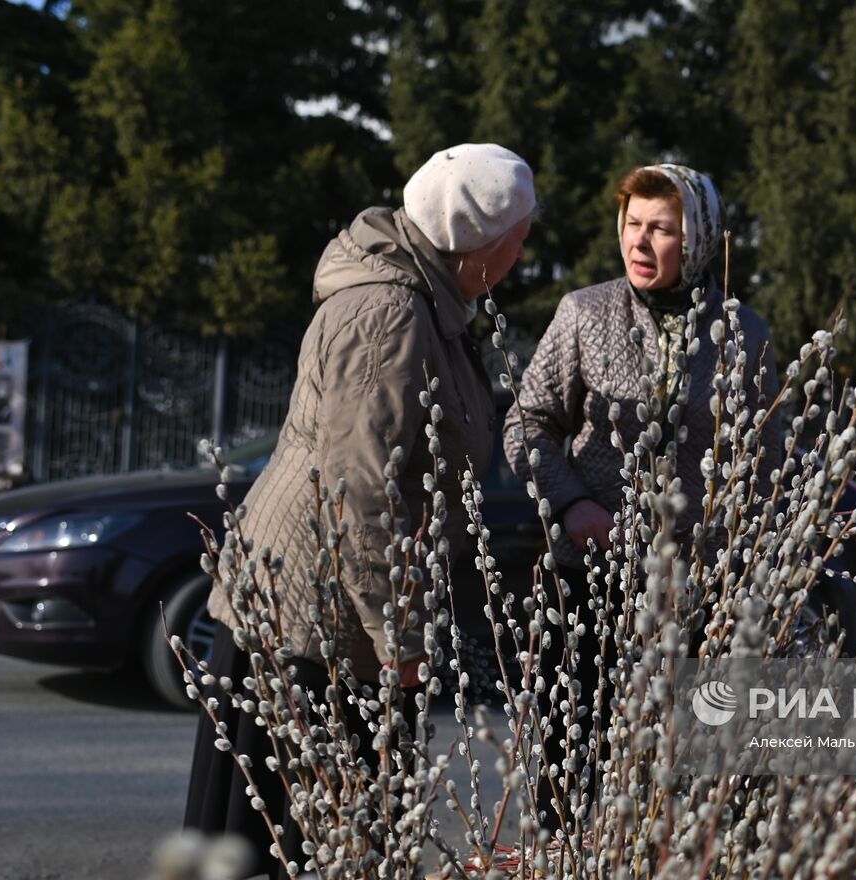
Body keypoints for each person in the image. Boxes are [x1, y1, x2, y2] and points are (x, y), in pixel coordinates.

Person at [184, 143, 535, 878]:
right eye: (519, 233)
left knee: (330, 831)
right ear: (478, 242)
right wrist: (400, 637)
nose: (524, 247)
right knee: (292, 834)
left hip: (334, 610)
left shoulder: (426, 297)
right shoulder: (389, 313)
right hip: (314, 618)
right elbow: (359, 488)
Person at [503, 164, 780, 829]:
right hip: (591, 580)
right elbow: (526, 423)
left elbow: (764, 464)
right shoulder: (585, 313)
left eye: (662, 228)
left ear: (700, 239)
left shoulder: (745, 333)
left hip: (699, 595)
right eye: (632, 224)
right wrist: (573, 505)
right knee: (574, 774)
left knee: (685, 781)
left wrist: (739, 567)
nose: (640, 241)